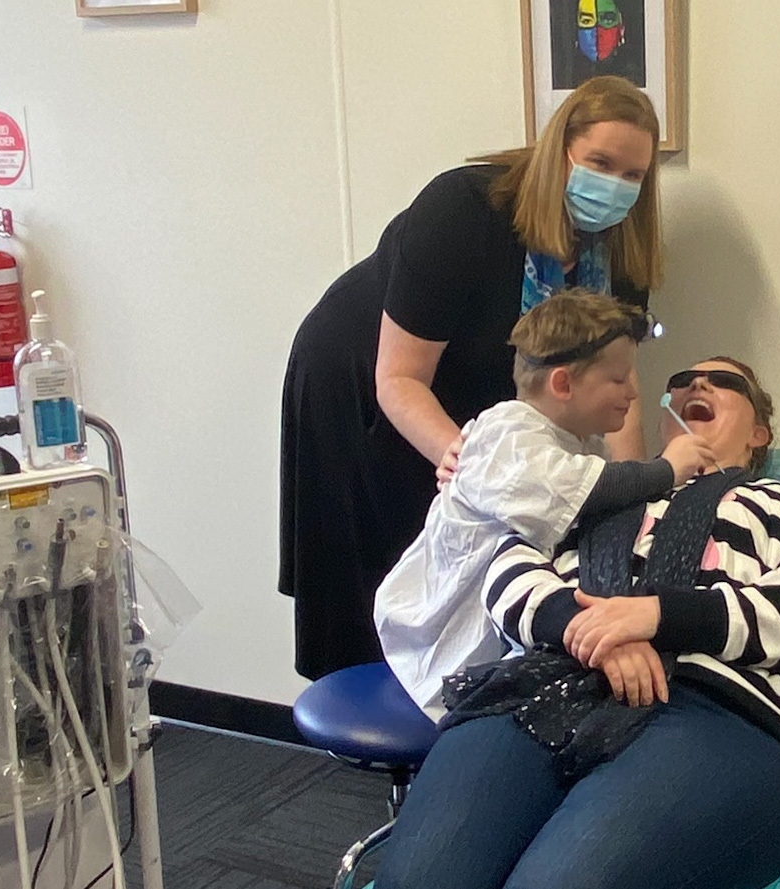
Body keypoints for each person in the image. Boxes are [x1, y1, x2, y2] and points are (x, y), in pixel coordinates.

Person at [373, 358, 780, 889]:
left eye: (725, 381)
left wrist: (655, 616)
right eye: (683, 379)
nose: (698, 384)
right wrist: (595, 632)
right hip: (553, 682)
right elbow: (506, 567)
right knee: (419, 878)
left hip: (718, 709)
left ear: (759, 433)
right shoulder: (599, 485)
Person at [280, 75, 664, 678]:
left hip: (480, 391)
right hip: (366, 379)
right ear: (560, 150)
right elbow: (400, 379)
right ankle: (377, 743)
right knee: (396, 571)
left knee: (484, 560)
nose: (615, 186)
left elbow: (618, 387)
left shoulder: (619, 252)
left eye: (633, 175)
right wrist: (475, 465)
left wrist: (636, 494)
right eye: (600, 163)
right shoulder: (463, 209)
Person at [373, 291, 713, 720]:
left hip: (516, 616)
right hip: (442, 634)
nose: (631, 392)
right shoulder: (509, 432)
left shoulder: (582, 445)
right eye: (618, 378)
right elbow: (584, 491)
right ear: (563, 384)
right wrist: (667, 468)